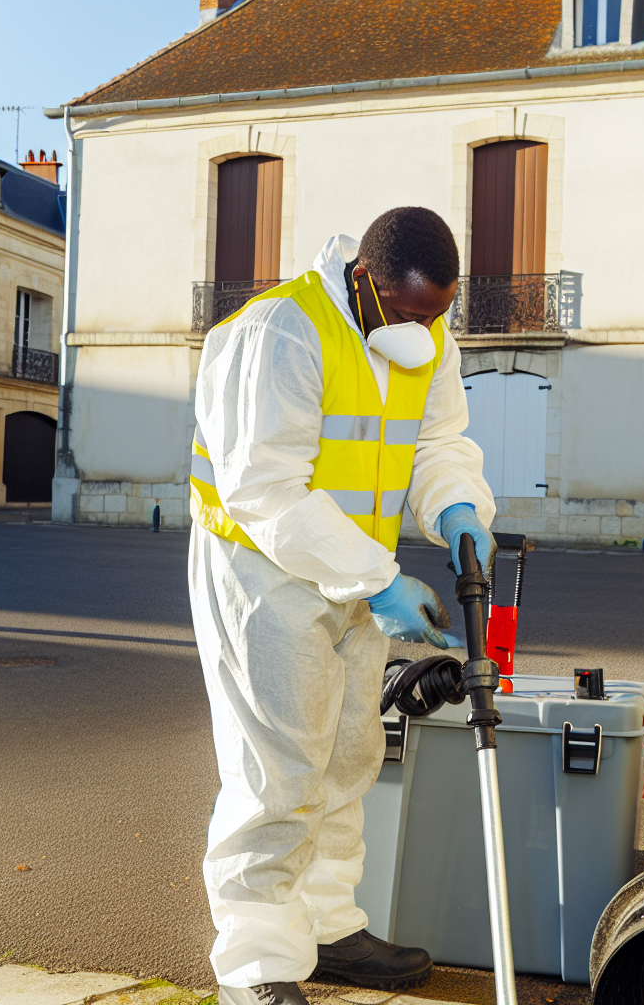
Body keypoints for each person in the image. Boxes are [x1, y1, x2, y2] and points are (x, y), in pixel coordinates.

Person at [188, 207, 497, 1005]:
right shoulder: (281, 331)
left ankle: (325, 926)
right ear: (366, 279)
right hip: (263, 572)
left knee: (349, 754)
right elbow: (263, 489)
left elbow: (438, 444)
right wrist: (380, 582)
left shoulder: (428, 335)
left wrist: (459, 508)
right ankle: (257, 960)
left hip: (358, 570)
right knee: (277, 768)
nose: (424, 330)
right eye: (409, 311)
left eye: (440, 313)